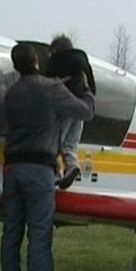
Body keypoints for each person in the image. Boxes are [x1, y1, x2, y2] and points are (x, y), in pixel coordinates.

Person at [1, 43, 94, 271]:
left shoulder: (11, 93)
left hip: (11, 169)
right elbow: (85, 112)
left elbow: (1, 126)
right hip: (39, 170)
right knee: (39, 238)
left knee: (10, 237)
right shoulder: (51, 89)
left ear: (17, 66)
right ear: (36, 61)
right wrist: (86, 89)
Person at [45, 34, 96, 190]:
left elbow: (48, 82)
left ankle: (54, 173)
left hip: (64, 107)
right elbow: (92, 87)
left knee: (55, 141)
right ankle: (72, 166)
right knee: (71, 143)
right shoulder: (81, 64)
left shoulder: (58, 63)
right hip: (81, 104)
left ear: (55, 50)